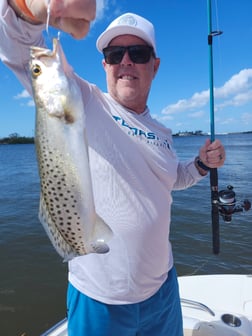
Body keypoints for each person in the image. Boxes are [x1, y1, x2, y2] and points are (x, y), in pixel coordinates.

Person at [0, 1, 226, 335]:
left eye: (138, 53)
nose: (126, 62)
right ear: (104, 64)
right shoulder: (86, 101)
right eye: (114, 54)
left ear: (155, 65)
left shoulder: (163, 132)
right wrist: (28, 9)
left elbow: (171, 179)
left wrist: (200, 165)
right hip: (100, 300)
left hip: (163, 287)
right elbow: (17, 49)